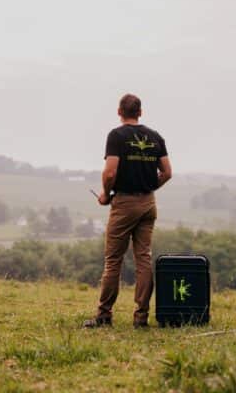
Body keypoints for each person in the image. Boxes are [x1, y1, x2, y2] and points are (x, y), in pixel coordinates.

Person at [84, 93, 172, 328]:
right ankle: (141, 317)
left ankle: (104, 315)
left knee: (113, 260)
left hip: (124, 203)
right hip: (148, 203)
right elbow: (167, 172)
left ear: (119, 112)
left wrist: (105, 194)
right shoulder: (155, 137)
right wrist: (151, 186)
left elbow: (110, 172)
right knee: (143, 259)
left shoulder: (116, 135)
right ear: (140, 112)